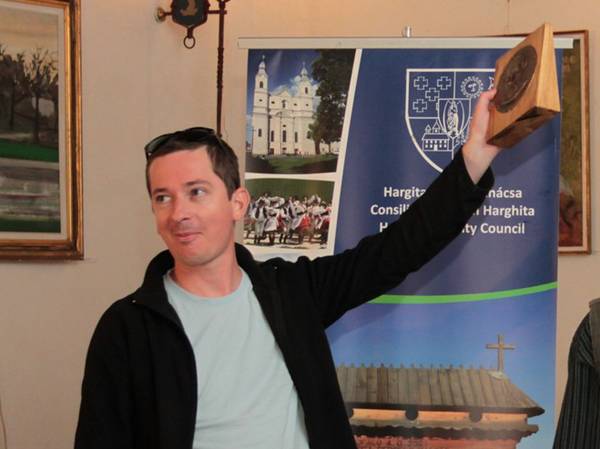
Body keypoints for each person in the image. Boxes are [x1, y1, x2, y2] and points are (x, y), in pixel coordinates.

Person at [75, 90, 501, 449]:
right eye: (163, 197)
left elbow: (397, 251)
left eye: (196, 192)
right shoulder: (127, 328)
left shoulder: (291, 292)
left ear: (238, 203)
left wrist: (474, 158)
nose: (179, 213)